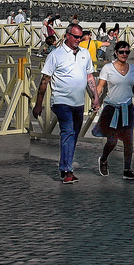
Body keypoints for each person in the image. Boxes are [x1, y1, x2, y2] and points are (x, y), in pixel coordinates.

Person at [34, 26, 96, 183]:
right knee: (68, 132)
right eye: (75, 37)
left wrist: (95, 97)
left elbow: (89, 77)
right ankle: (67, 171)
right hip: (61, 101)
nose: (78, 40)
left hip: (79, 102)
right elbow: (45, 80)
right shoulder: (56, 55)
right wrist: (38, 104)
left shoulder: (85, 54)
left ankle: (64, 166)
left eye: (80, 37)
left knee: (73, 136)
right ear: (67, 35)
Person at [94, 40, 134, 180]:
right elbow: (100, 87)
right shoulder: (108, 68)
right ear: (116, 53)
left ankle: (127, 169)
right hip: (112, 108)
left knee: (128, 140)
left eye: (127, 52)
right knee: (112, 140)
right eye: (121, 52)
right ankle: (104, 159)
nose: (124, 54)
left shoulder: (133, 69)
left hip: (127, 108)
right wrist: (95, 100)